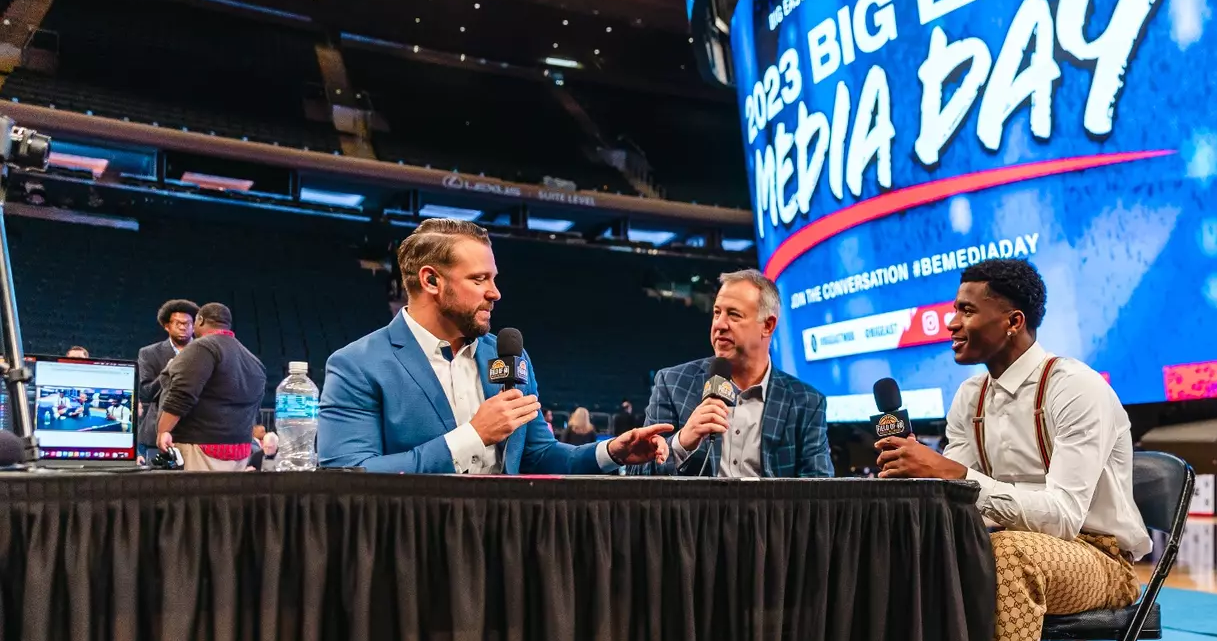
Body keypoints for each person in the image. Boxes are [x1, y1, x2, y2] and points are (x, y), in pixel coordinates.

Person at [874, 260, 1149, 641]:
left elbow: (1066, 517)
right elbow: (960, 506)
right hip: (1009, 550)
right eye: (955, 308)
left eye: (967, 311)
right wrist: (920, 481)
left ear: (1013, 321)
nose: (951, 322)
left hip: (1101, 559)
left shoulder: (1075, 388)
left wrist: (953, 475)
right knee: (908, 551)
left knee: (1010, 554)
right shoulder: (971, 396)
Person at [317, 218, 671, 474]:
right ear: (430, 280)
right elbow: (349, 474)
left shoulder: (508, 357)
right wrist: (473, 435)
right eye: (478, 278)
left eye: (494, 278)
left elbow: (538, 455)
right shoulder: (357, 365)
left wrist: (612, 452)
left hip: (503, 546)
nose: (495, 292)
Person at [642, 269, 830, 477]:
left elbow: (819, 492)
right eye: (716, 312)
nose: (719, 324)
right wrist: (682, 442)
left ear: (767, 326)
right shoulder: (672, 384)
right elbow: (638, 474)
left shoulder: (807, 402)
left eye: (733, 315)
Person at [155, 303, 267, 472]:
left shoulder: (202, 347)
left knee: (197, 499)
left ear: (200, 320)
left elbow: (182, 394)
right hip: (241, 452)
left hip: (201, 449)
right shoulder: (253, 359)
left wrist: (163, 431)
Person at [137, 298, 198, 464]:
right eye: (178, 323)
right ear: (167, 326)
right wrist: (167, 372)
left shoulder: (205, 353)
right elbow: (146, 393)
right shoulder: (149, 353)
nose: (183, 327)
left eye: (188, 323)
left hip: (197, 434)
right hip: (157, 434)